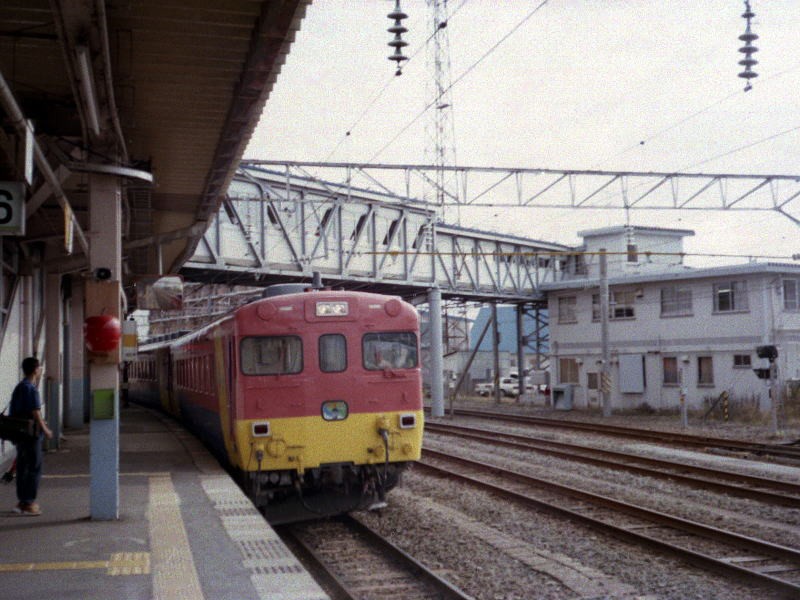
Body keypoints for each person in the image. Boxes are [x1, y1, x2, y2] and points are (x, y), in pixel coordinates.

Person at [9, 357, 52, 516]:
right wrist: (46, 430)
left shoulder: (19, 387)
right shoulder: (31, 389)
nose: (40, 370)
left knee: (22, 468)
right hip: (31, 434)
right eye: (39, 367)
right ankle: (29, 503)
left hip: (19, 434)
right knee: (34, 467)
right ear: (35, 370)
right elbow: (36, 412)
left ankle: (21, 502)